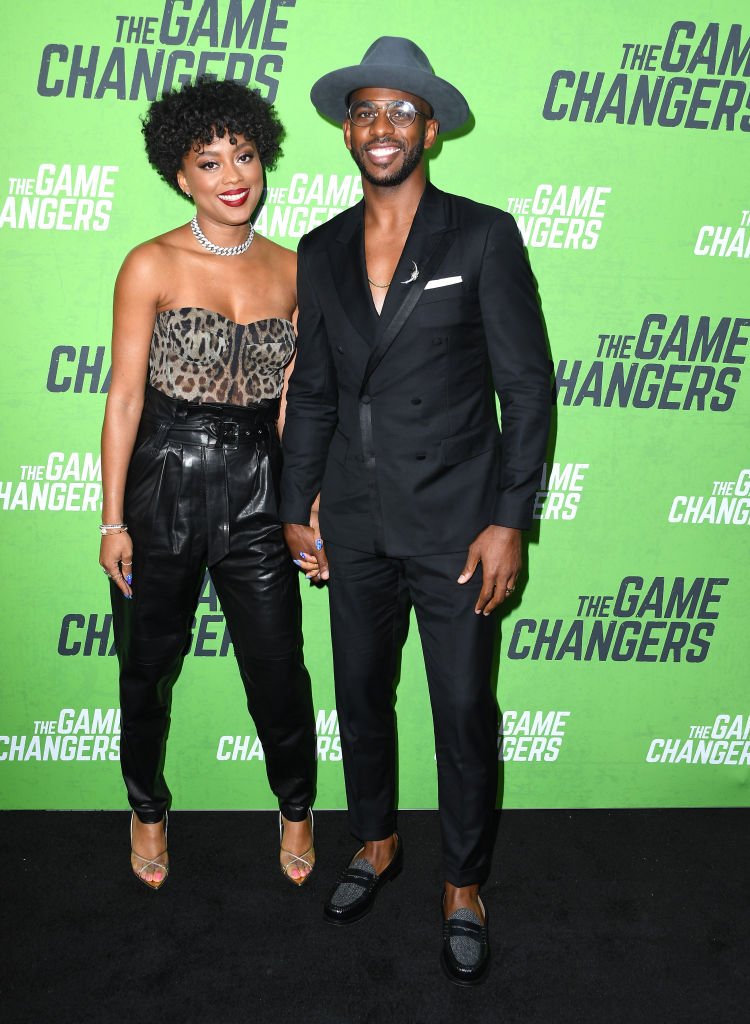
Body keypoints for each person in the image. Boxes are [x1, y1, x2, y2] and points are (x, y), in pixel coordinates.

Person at [280, 37, 550, 984]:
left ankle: (464, 883)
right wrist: (295, 505)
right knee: (359, 698)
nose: (380, 127)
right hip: (353, 521)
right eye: (365, 111)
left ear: (430, 129)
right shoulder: (318, 249)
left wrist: (509, 521)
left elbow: (527, 387)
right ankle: (378, 839)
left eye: (399, 112)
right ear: (347, 130)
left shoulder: (482, 236)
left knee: (463, 707)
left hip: (458, 525)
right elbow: (312, 389)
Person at [99, 78, 317, 891]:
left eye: (247, 155)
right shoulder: (150, 262)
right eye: (210, 160)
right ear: (181, 174)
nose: (234, 174)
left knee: (277, 666)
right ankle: (147, 807)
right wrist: (111, 520)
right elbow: (124, 396)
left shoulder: (295, 270)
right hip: (162, 483)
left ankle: (296, 805)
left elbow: (296, 405)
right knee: (145, 665)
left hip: (260, 488)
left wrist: (305, 504)